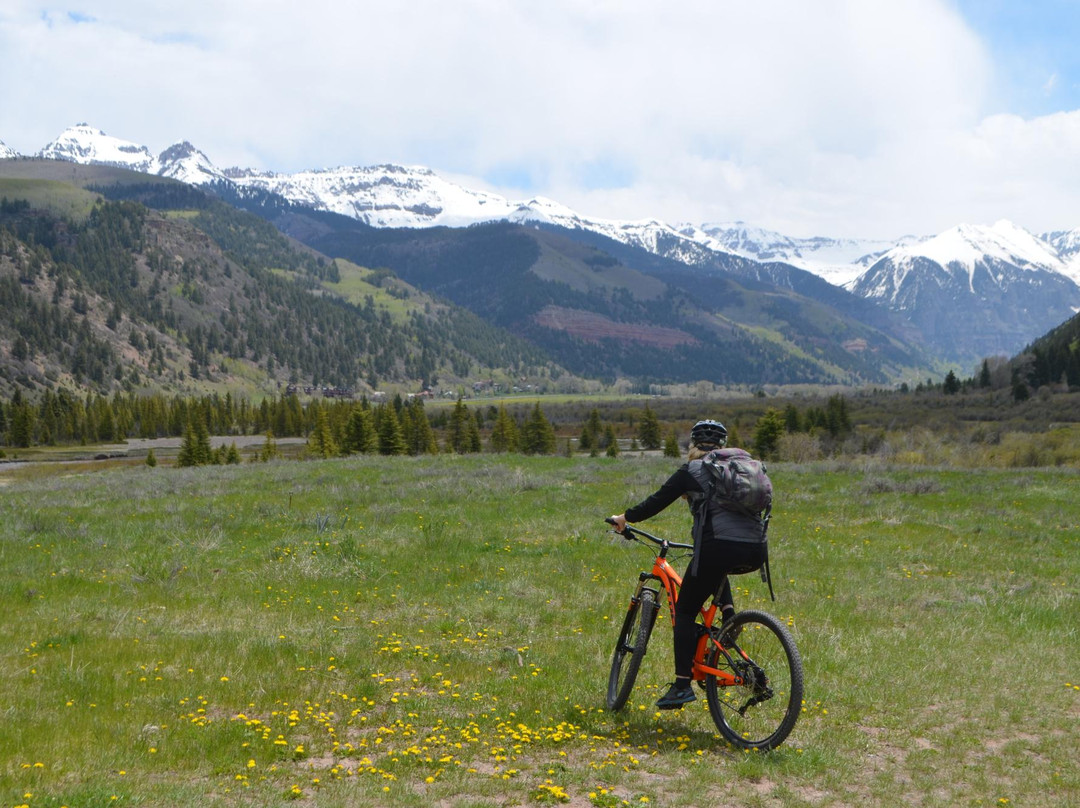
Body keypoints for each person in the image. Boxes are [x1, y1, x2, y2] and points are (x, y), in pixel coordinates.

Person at [609, 419, 767, 710]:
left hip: (717, 549)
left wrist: (625, 518)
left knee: (684, 611)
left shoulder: (692, 470)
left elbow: (655, 502)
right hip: (756, 550)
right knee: (714, 565)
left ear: (692, 445)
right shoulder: (739, 471)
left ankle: (682, 686)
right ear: (722, 446)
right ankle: (730, 619)